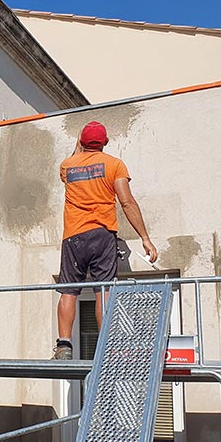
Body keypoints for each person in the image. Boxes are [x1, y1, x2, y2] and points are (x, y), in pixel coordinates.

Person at [54, 121, 157, 360]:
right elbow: (127, 202)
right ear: (106, 142)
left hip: (74, 236)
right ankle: (106, 346)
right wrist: (145, 238)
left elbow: (75, 157)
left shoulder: (67, 166)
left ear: (81, 142)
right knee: (104, 290)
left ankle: (64, 346)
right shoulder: (115, 165)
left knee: (69, 290)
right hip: (102, 234)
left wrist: (79, 144)